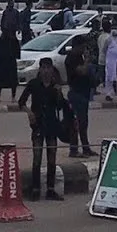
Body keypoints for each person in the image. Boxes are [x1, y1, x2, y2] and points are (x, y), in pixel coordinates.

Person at [18, 58, 74, 201]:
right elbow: (21, 102)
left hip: (52, 125)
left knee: (52, 157)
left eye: (48, 68)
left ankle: (50, 189)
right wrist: (29, 113)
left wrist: (59, 93)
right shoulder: (34, 84)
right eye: (43, 68)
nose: (46, 71)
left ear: (52, 70)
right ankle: (35, 189)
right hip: (37, 124)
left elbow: (61, 107)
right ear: (40, 70)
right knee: (37, 158)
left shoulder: (55, 86)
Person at [63, 36, 94, 158]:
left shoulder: (78, 57)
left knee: (84, 122)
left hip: (83, 93)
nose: (84, 49)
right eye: (82, 47)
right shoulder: (71, 58)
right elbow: (81, 71)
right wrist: (87, 61)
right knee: (77, 123)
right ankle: (74, 149)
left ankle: (86, 148)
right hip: (76, 93)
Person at [0, 30, 21, 101]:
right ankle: (11, 97)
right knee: (6, 79)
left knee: (5, 79)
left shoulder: (8, 39)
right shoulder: (7, 39)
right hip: (8, 60)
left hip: (5, 60)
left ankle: (7, 97)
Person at [102, 25, 117, 102]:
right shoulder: (108, 39)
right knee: (109, 77)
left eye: (115, 29)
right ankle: (108, 94)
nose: (114, 30)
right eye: (112, 29)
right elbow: (104, 50)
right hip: (111, 62)